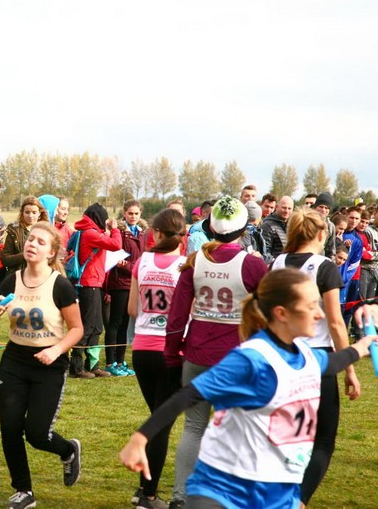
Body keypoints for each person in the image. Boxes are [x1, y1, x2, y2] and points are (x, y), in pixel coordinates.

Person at [121, 268, 378, 509]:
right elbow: (189, 394)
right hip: (224, 493)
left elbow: (331, 362)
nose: (320, 314)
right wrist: (140, 438)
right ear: (281, 313)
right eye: (312, 306)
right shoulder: (251, 359)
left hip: (279, 492)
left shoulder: (305, 354)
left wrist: (361, 346)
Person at [164, 196, 268, 508]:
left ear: (210, 226)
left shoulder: (195, 261)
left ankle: (180, 497)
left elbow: (177, 315)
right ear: (244, 228)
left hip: (196, 355)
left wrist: (172, 352)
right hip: (236, 360)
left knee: (193, 427)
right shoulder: (252, 264)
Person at [270, 207, 359, 506]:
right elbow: (335, 322)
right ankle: (298, 501)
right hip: (317, 358)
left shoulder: (277, 263)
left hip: (281, 356)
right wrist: (349, 368)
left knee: (284, 435)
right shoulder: (324, 267)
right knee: (322, 439)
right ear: (322, 234)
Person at [0, 222, 83, 509]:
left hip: (49, 366)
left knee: (36, 433)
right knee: (10, 428)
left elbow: (77, 329)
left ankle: (68, 450)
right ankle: (23, 491)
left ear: (51, 252)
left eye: (40, 242)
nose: (32, 244)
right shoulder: (11, 281)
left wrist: (55, 350)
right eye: (30, 239)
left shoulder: (60, 285)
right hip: (14, 362)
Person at [126, 209, 188, 508]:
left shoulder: (143, 261)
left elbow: (132, 309)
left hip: (141, 349)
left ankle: (143, 490)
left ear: (157, 233)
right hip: (170, 351)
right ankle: (148, 495)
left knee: (157, 419)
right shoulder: (185, 266)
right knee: (161, 423)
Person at [70, 202, 122, 378]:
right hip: (88, 283)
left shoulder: (91, 232)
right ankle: (76, 367)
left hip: (95, 283)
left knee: (97, 326)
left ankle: (92, 365)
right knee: (87, 326)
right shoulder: (90, 233)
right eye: (105, 219)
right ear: (98, 218)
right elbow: (116, 245)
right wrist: (115, 229)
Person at [105, 200, 147, 376]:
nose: (133, 216)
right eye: (130, 213)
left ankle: (121, 361)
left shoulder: (143, 232)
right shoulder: (120, 232)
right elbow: (116, 259)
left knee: (125, 324)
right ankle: (110, 362)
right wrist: (133, 266)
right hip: (120, 282)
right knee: (115, 322)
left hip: (134, 283)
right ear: (124, 213)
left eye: (136, 213)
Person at [0, 196, 48, 276]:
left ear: (39, 213)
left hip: (40, 276)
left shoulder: (46, 231)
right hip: (18, 276)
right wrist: (25, 255)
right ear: (22, 213)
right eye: (27, 212)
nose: (30, 216)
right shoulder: (14, 231)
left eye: (34, 212)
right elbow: (5, 259)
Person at [313, 192, 336, 260]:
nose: (323, 210)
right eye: (321, 207)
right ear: (315, 207)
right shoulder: (307, 221)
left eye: (326, 208)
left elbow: (331, 249)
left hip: (320, 260)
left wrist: (330, 263)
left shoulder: (331, 226)